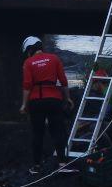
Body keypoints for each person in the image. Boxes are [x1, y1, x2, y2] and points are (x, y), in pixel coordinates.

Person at [19, 36, 72, 172]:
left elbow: (27, 85)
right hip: (54, 100)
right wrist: (68, 98)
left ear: (29, 49)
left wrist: (24, 104)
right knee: (58, 131)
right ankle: (61, 164)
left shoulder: (28, 62)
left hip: (36, 101)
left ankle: (37, 165)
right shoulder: (54, 58)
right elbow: (63, 81)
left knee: (38, 133)